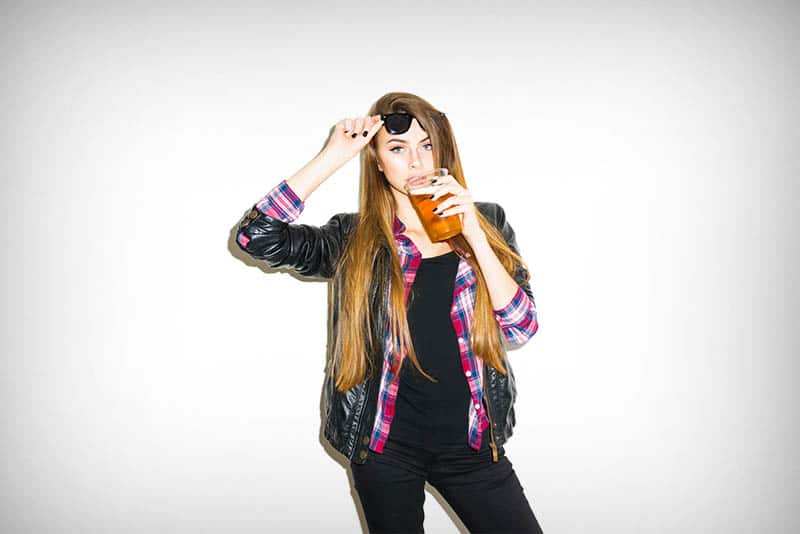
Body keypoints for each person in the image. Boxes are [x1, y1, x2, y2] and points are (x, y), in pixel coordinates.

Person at [235, 92, 543, 533]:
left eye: (426, 146)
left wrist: (473, 230)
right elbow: (255, 238)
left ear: (443, 153)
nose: (415, 162)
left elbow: (521, 326)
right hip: (383, 447)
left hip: (472, 446)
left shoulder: (488, 221)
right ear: (377, 162)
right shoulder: (352, 236)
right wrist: (333, 155)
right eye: (397, 149)